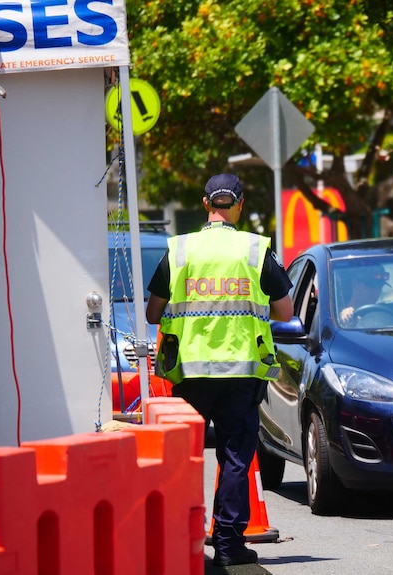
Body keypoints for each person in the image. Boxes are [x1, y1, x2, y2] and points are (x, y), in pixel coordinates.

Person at [145, 173, 293, 567]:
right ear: (240, 205)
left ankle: (181, 542)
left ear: (206, 203)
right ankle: (228, 544)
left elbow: (152, 311)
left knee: (184, 459)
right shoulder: (254, 249)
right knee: (235, 458)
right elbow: (285, 311)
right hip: (241, 374)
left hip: (190, 374)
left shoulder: (180, 250)